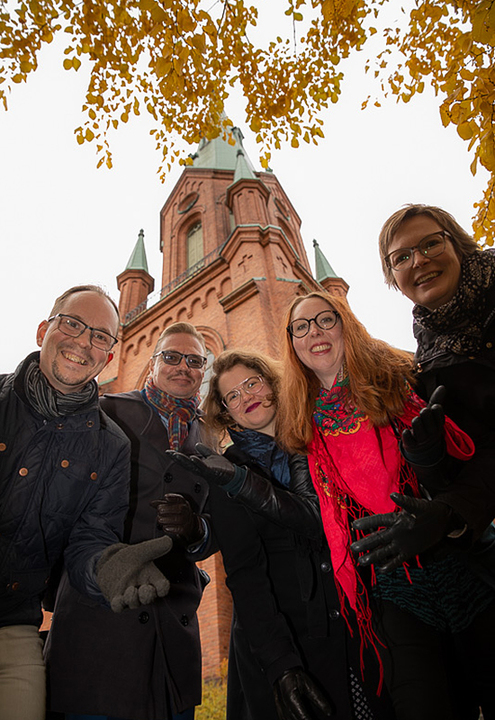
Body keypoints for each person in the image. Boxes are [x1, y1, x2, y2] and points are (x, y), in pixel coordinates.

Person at [277, 290, 495, 720]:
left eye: (325, 319)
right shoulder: (299, 422)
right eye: (301, 326)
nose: (314, 332)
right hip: (391, 580)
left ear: (346, 324)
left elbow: (469, 468)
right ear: (292, 343)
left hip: (458, 557)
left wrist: (431, 459)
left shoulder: (401, 375)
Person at [169, 349, 393, 720]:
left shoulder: (323, 442)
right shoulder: (229, 471)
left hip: (359, 633)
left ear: (274, 382)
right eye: (233, 396)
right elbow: (244, 576)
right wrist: (280, 665)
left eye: (252, 383)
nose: (247, 397)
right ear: (226, 412)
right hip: (286, 642)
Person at [0, 285, 172, 720]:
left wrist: (105, 568)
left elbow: (90, 539)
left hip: (12, 627)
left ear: (109, 357)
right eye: (73, 324)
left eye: (100, 336)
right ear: (44, 330)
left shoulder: (111, 447)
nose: (83, 342)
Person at [45, 322, 215, 720]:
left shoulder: (211, 435)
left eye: (195, 361)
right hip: (100, 630)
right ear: (152, 364)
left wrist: (199, 531)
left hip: (173, 634)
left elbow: (223, 525)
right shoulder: (107, 410)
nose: (183, 367)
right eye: (171, 357)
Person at [376, 203, 495, 540]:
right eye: (401, 258)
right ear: (395, 280)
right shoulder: (429, 365)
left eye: (430, 244)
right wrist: (430, 464)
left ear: (457, 244)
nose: (418, 260)